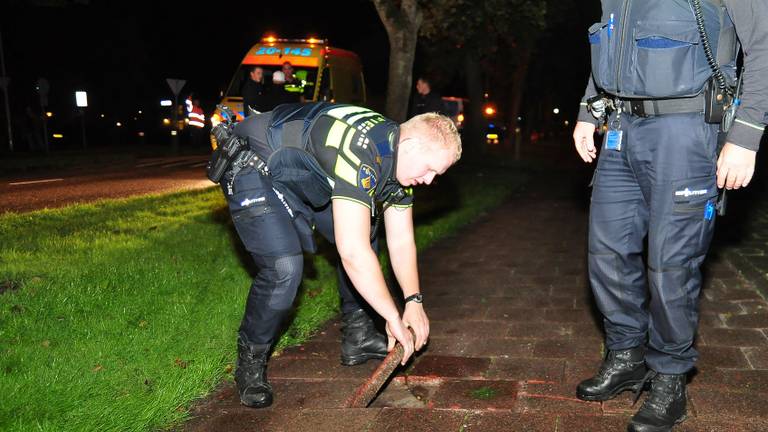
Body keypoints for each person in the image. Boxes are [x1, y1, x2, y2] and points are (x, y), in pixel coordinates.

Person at [572, 1, 768, 431]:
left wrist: (746, 135)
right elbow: (610, 42)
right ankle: (626, 356)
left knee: (670, 265)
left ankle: (670, 377)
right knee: (606, 253)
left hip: (686, 129)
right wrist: (589, 110)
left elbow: (763, 45)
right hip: (621, 126)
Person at [213, 102, 461, 408]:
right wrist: (392, 316)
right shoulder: (361, 153)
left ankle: (356, 335)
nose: (429, 181)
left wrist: (413, 300)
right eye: (429, 169)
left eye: (437, 174)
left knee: (366, 233)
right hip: (256, 162)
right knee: (285, 268)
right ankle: (250, 362)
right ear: (409, 145)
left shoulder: (396, 159)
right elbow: (352, 253)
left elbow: (401, 240)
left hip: (302, 173)